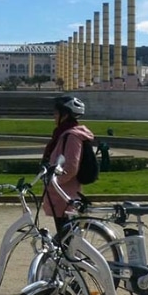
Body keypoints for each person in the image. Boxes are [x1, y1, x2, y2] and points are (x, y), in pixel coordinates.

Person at [41, 95, 95, 235]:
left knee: (67, 240)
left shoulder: (72, 136)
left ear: (65, 115)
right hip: (60, 194)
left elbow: (71, 167)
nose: (54, 116)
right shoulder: (63, 134)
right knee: (65, 239)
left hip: (64, 195)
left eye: (56, 113)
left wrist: (54, 183)